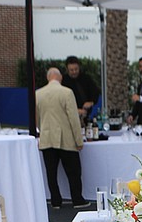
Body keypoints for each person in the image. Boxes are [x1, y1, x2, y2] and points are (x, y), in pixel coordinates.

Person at [35, 67, 91, 210]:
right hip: (65, 138)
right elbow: (73, 118)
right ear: (59, 77)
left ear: (48, 78)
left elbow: (37, 118)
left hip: (47, 138)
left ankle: (55, 201)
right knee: (73, 172)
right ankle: (77, 199)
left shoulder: (38, 94)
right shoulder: (67, 92)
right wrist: (79, 140)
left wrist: (41, 132)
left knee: (51, 173)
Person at [64, 55, 99, 124]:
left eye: (76, 69)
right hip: (68, 119)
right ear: (67, 70)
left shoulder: (86, 78)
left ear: (79, 67)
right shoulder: (63, 81)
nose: (74, 72)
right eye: (71, 70)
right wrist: (76, 111)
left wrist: (91, 102)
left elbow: (95, 92)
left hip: (85, 116)